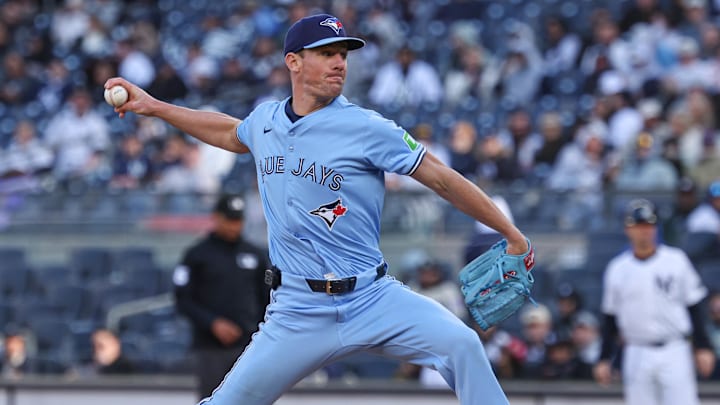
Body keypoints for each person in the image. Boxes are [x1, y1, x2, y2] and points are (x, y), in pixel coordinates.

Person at [106, 13, 530, 404]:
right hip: (297, 310)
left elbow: (439, 175)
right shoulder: (266, 121)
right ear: (293, 62)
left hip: (373, 297)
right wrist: (155, 107)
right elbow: (230, 132)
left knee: (463, 345)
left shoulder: (366, 127)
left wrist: (510, 232)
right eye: (326, 53)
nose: (339, 63)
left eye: (342, 55)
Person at [593, 198, 715, 405]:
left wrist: (703, 346)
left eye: (649, 225)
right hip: (636, 350)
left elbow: (694, 306)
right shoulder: (618, 269)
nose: (644, 230)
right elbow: (610, 317)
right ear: (627, 229)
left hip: (674, 348)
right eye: (638, 225)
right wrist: (604, 358)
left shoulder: (676, 260)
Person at [173, 194, 270, 400]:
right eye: (230, 220)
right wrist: (213, 323)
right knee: (213, 399)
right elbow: (183, 300)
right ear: (217, 217)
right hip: (210, 347)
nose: (234, 226)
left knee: (252, 400)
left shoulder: (255, 255)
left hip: (249, 345)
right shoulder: (197, 255)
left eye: (238, 220)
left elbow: (267, 299)